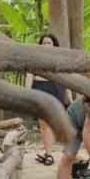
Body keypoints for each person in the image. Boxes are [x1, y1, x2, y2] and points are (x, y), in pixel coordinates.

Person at [25, 34, 73, 166]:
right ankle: (49, 153)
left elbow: (66, 79)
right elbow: (29, 77)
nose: (46, 45)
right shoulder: (34, 59)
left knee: (51, 123)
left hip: (56, 89)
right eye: (44, 42)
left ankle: (52, 153)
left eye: (49, 43)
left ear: (54, 45)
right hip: (39, 89)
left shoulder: (59, 59)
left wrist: (70, 98)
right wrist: (27, 94)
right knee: (43, 124)